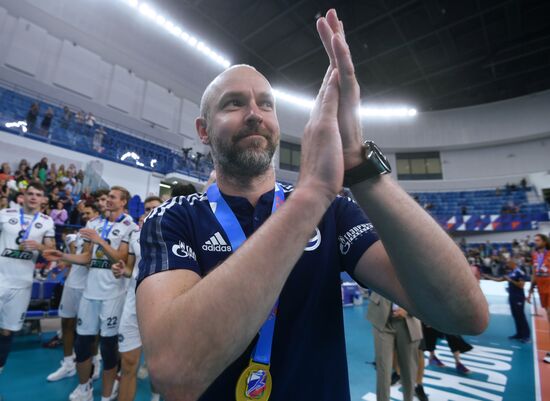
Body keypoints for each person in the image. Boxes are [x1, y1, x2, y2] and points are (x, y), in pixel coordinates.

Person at [136, 9, 487, 401]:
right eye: (234, 104)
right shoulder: (174, 218)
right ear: (203, 130)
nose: (254, 114)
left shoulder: (334, 213)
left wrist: (360, 166)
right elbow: (175, 374)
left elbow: (465, 314)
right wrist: (310, 195)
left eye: (266, 104)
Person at [44, 186, 137, 401]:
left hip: (113, 294)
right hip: (90, 291)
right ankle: (84, 389)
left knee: (108, 348)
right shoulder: (93, 224)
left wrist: (100, 241)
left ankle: (106, 396)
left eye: (113, 198)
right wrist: (63, 257)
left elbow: (120, 260)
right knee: (83, 344)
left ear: (123, 202)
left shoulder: (129, 226)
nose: (108, 201)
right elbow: (87, 258)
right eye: (108, 198)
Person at [0, 182, 55, 385]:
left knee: (7, 331)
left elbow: (51, 251)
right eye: (30, 193)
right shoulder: (5, 214)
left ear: (43, 199)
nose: (33, 197)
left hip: (22, 283)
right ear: (23, 196)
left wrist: (39, 246)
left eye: (38, 194)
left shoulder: (47, 222)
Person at [111, 196, 162, 401]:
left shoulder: (176, 234)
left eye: (155, 208)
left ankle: (156, 396)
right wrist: (122, 270)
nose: (150, 212)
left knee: (157, 365)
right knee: (128, 363)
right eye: (147, 209)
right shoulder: (134, 236)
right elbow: (131, 268)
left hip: (161, 307)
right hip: (133, 304)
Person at [46, 203, 100, 382]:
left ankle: (95, 362)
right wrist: (63, 263)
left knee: (89, 331)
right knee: (67, 324)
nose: (85, 217)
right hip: (72, 285)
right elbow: (73, 261)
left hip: (89, 287)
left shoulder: (100, 235)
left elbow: (87, 260)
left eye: (89, 213)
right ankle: (68, 364)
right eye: (83, 214)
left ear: (97, 215)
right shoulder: (72, 237)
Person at [366, 292, 422, 401]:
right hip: (381, 317)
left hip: (409, 320)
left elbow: (425, 290)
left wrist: (409, 310)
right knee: (383, 371)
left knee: (409, 371)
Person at [484, 259, 530, 342]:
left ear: (513, 263)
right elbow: (499, 280)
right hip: (512, 297)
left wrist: (510, 280)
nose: (507, 265)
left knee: (521, 316)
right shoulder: (511, 272)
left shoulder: (519, 272)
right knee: (515, 316)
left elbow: (521, 285)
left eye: (508, 263)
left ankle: (526, 336)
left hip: (518, 297)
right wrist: (488, 277)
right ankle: (519, 334)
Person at [527, 233, 550, 363]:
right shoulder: (535, 255)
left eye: (538, 240)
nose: (535, 242)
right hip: (542, 289)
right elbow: (534, 274)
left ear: (545, 241)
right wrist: (530, 291)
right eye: (534, 240)